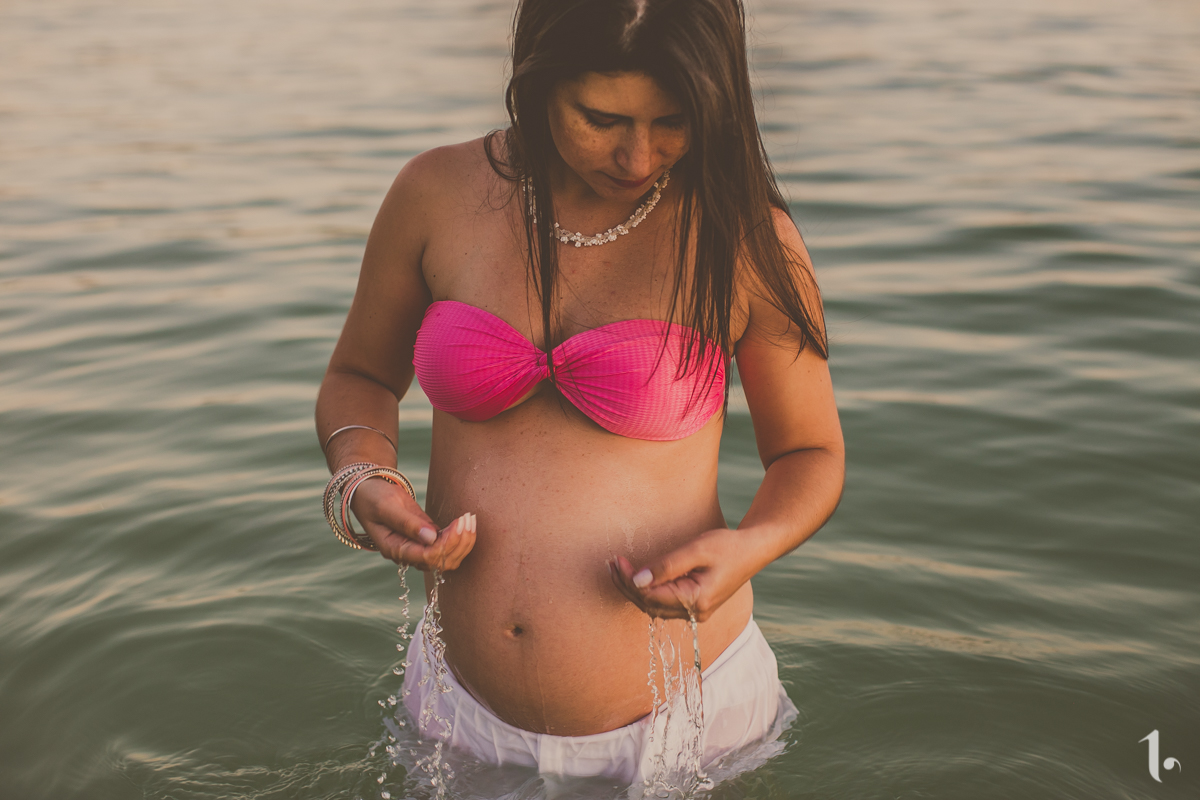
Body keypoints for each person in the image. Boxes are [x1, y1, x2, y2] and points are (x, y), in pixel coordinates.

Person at [315, 0, 844, 788]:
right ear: (537, 81)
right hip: (457, 717)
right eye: (602, 117)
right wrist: (365, 476)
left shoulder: (741, 237)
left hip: (682, 729)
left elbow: (810, 452)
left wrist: (748, 548)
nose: (638, 155)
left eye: (674, 120)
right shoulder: (436, 194)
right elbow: (360, 376)